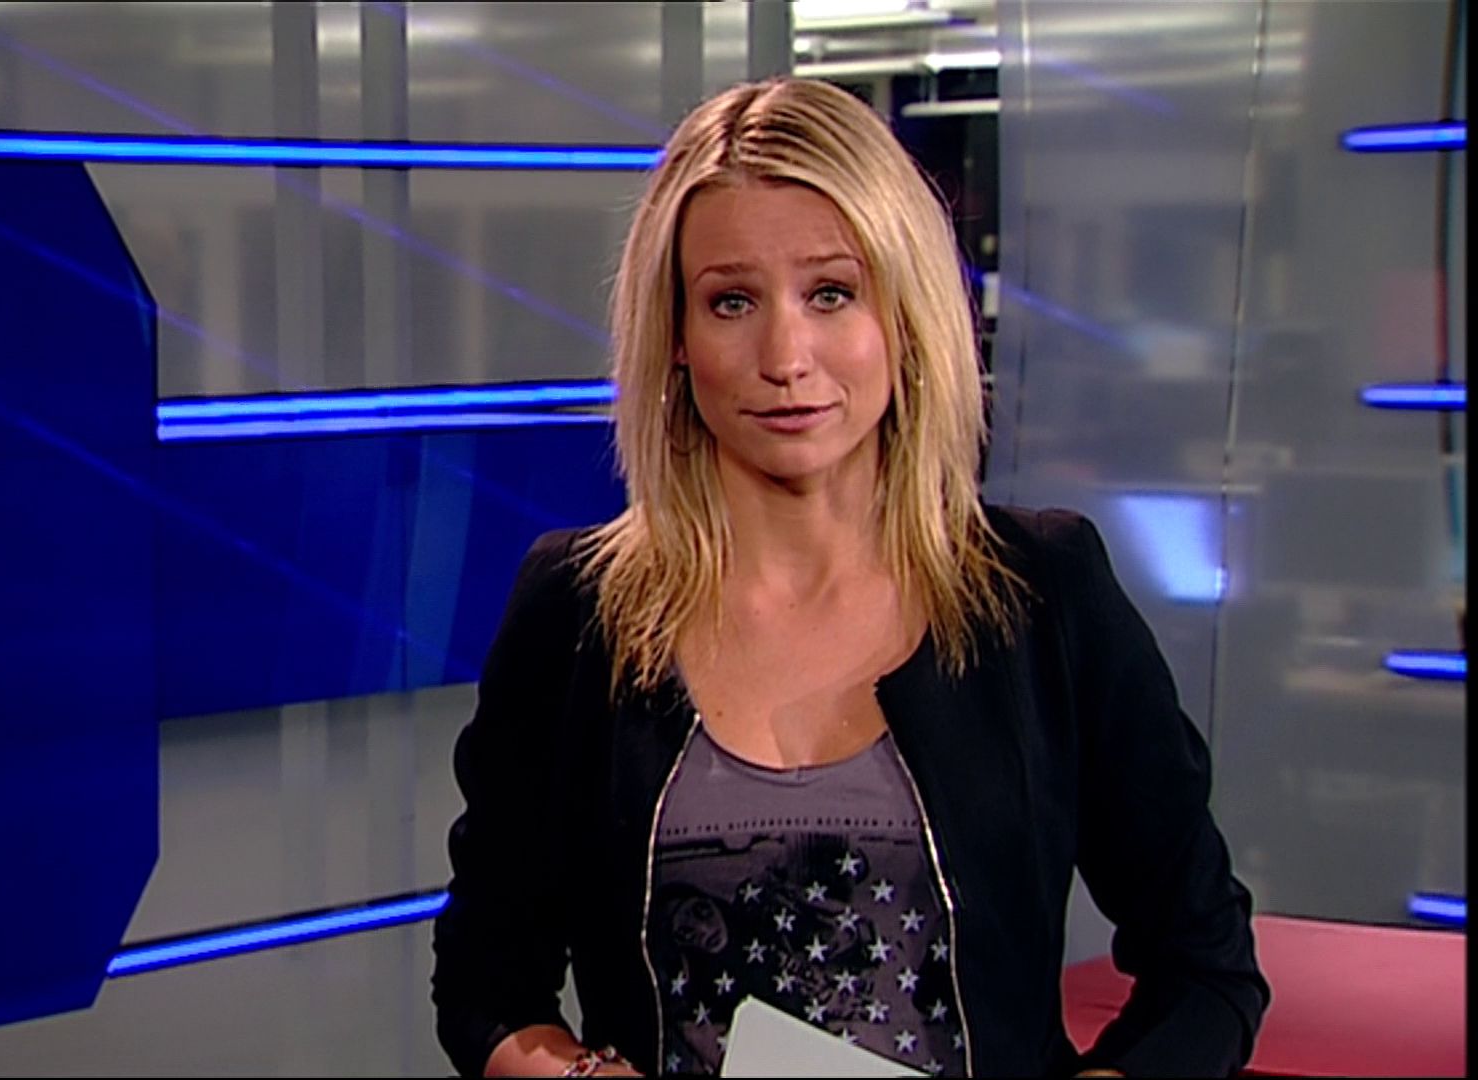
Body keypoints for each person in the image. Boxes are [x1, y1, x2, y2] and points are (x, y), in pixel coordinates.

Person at [430, 77, 1269, 1078]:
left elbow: (1207, 969)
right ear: (678, 340)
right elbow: (484, 983)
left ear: (903, 318)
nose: (786, 356)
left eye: (831, 293)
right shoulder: (577, 611)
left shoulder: (1043, 593)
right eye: (731, 301)